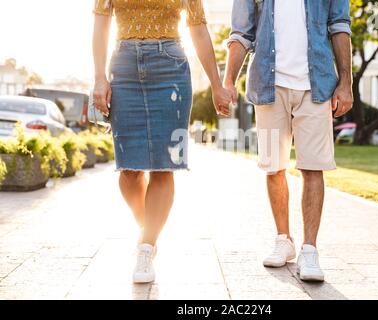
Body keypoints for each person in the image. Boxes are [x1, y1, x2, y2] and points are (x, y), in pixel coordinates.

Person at [92, 0, 231, 283]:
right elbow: (101, 23)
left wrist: (217, 85)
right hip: (124, 67)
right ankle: (148, 229)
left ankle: (146, 247)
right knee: (129, 170)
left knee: (163, 166)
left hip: (171, 67)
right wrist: (98, 78)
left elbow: (199, 29)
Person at [223, 0, 353, 281]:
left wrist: (346, 82)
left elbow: (340, 26)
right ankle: (284, 239)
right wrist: (228, 80)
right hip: (268, 87)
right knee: (273, 166)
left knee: (313, 167)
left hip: (316, 86)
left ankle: (309, 249)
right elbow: (241, 34)